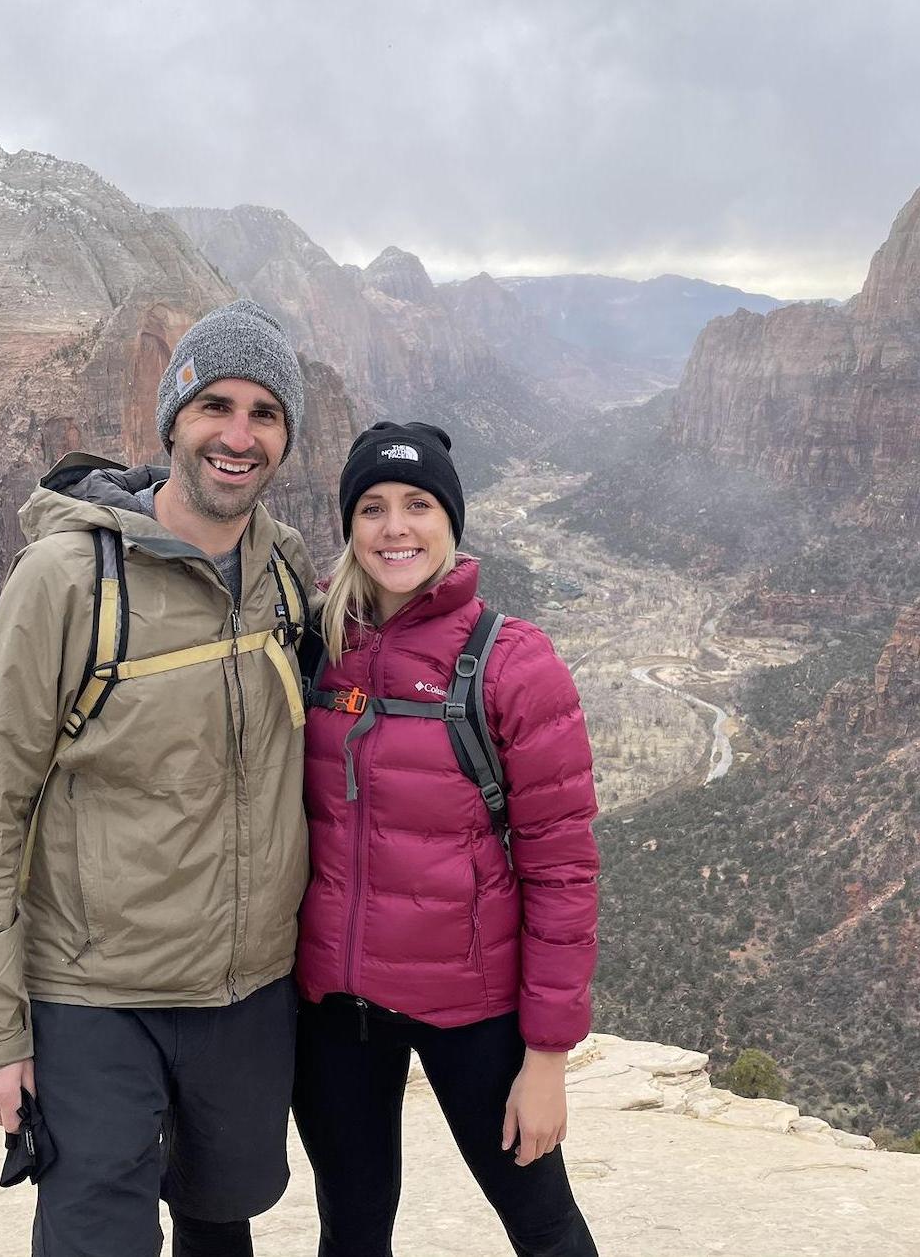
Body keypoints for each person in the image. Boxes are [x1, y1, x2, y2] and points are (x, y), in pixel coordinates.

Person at [0, 299, 318, 1257]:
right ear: (172, 419)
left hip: (246, 993)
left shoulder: (287, 575)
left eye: (264, 413)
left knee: (221, 1227)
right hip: (96, 998)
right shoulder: (66, 578)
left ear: (287, 436)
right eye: (214, 407)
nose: (238, 436)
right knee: (96, 1240)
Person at [293, 421, 600, 1256]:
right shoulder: (314, 646)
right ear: (349, 526)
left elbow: (563, 876)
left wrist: (547, 1059)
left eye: (419, 504)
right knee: (350, 1231)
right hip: (336, 1011)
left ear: (451, 521)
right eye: (373, 507)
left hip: (475, 1010)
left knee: (542, 1227)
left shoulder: (515, 665)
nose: (396, 528)